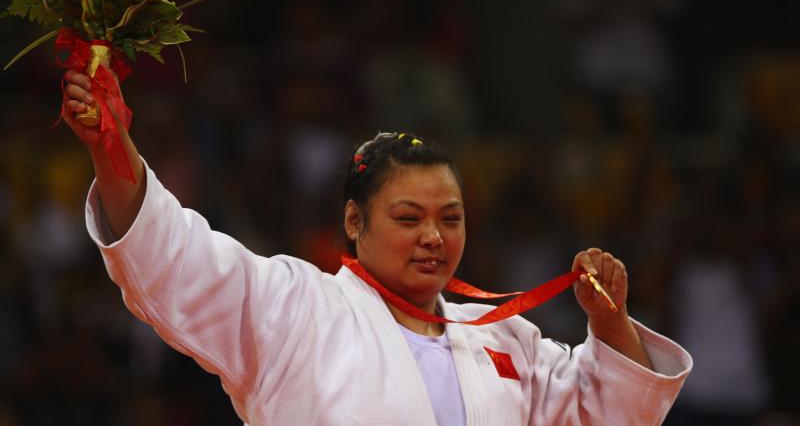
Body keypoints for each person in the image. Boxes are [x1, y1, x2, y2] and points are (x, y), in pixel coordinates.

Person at [62, 68, 692, 426]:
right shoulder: (296, 309)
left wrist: (608, 320)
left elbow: (604, 415)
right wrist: (109, 148)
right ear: (354, 222)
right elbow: (176, 260)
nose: (433, 237)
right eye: (408, 217)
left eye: (451, 218)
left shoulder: (503, 338)